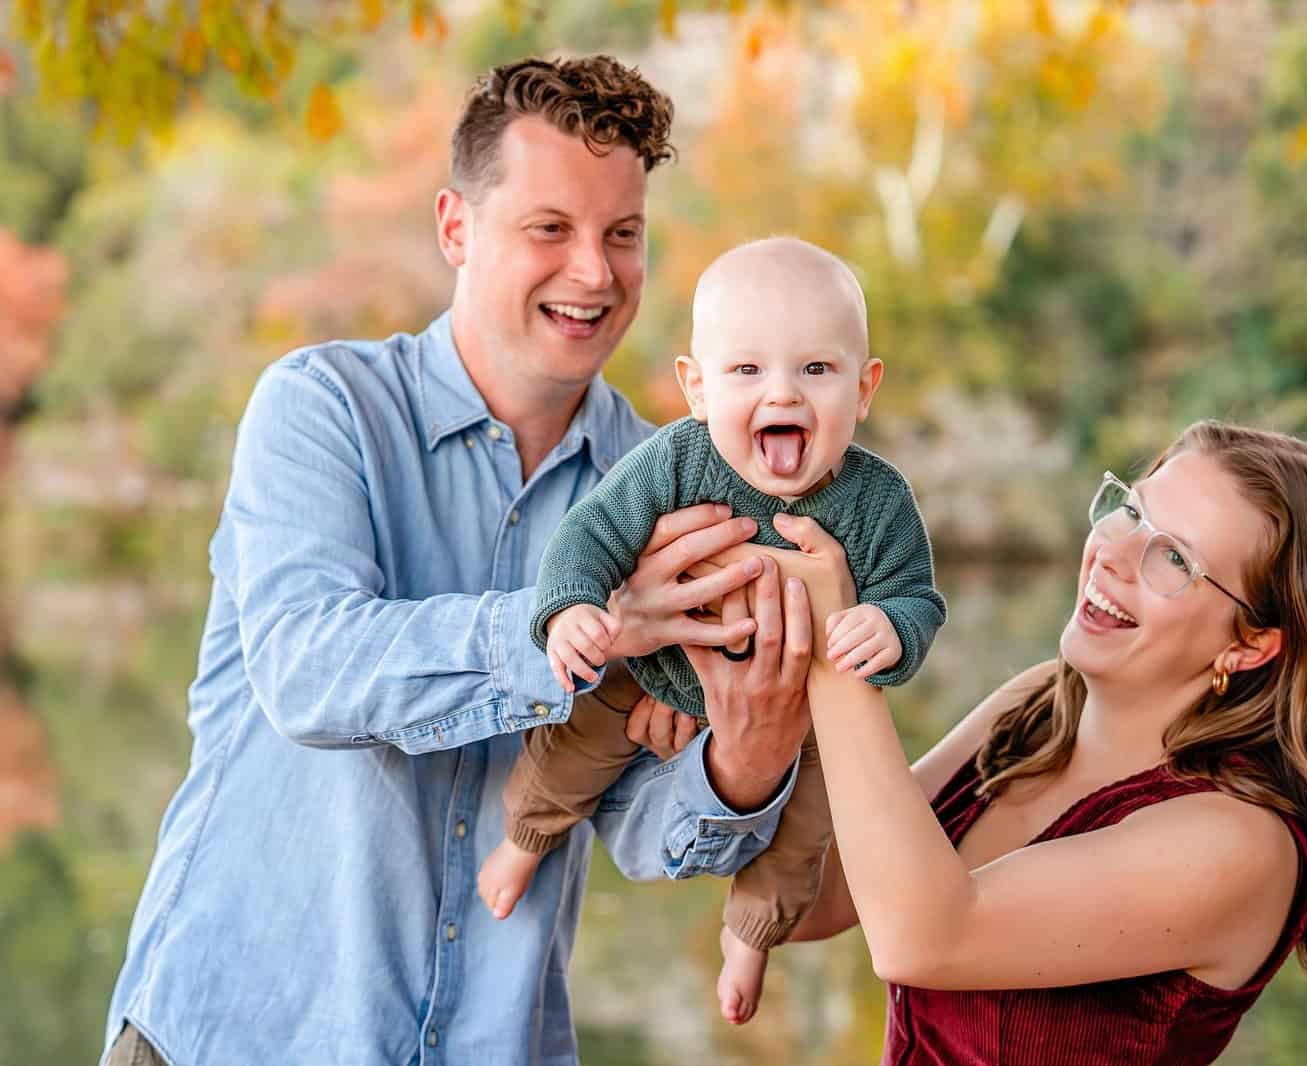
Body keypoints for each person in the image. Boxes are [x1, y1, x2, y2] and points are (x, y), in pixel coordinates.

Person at [100, 56, 815, 1066]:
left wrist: (747, 755)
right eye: (550, 230)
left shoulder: (673, 493)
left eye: (622, 235)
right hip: (229, 1038)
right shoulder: (325, 410)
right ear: (455, 228)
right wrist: (588, 621)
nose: (595, 273)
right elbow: (310, 671)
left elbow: (649, 830)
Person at [732, 421, 1307, 1064]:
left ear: (1251, 642)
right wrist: (739, 712)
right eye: (1133, 513)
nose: (1112, 553)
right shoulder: (1035, 709)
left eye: (1174, 557)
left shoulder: (1238, 844)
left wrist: (837, 638)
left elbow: (922, 938)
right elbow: (819, 898)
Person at [474, 236, 947, 1025]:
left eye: (817, 370)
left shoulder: (877, 499)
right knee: (580, 732)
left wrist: (890, 629)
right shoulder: (676, 460)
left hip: (800, 706)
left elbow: (917, 597)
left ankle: (750, 934)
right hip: (659, 665)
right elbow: (590, 534)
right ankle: (526, 838)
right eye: (748, 370)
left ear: (864, 390)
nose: (784, 395)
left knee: (813, 823)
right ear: (697, 387)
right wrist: (573, 609)